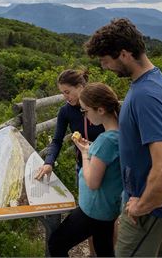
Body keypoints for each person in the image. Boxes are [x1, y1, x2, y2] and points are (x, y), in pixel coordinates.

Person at [84, 18, 162, 257]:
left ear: (124, 54)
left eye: (105, 60)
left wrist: (142, 205)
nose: (104, 67)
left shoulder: (146, 95)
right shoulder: (157, 81)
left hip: (150, 210)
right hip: (153, 204)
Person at [48, 82, 123, 257]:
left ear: (100, 110)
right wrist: (89, 150)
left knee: (56, 244)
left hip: (94, 210)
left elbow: (92, 182)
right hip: (109, 209)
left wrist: (84, 153)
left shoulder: (106, 141)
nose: (84, 115)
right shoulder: (121, 134)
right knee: (103, 248)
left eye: (85, 110)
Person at [35, 69, 104, 182]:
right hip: (83, 167)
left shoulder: (99, 105)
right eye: (62, 93)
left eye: (67, 92)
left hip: (107, 165)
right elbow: (57, 140)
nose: (65, 97)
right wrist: (48, 162)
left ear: (80, 87)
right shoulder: (65, 111)